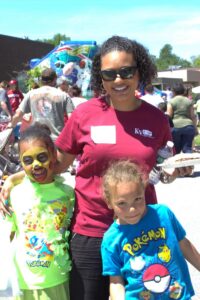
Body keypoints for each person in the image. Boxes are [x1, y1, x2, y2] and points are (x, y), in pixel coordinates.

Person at [0, 35, 193, 300]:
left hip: (140, 229)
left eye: (126, 71)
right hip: (90, 231)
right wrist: (18, 177)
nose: (118, 80)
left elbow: (159, 170)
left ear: (140, 72)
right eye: (109, 74)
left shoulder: (157, 120)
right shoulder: (85, 114)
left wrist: (174, 173)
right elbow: (57, 163)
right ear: (99, 78)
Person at [101, 160, 200, 299]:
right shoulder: (110, 239)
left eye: (138, 199)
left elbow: (184, 244)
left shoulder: (163, 214)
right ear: (109, 202)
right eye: (122, 203)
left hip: (177, 295)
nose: (132, 209)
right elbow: (116, 282)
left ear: (144, 192)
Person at [5, 123, 75, 300]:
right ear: (21, 162)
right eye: (28, 160)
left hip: (58, 278)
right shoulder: (14, 194)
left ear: (53, 156)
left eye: (42, 157)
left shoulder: (68, 194)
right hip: (25, 280)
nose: (36, 165)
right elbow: (12, 234)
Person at [7, 68, 74, 141]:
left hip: (37, 140)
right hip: (57, 140)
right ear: (55, 79)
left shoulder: (31, 94)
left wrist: (11, 125)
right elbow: (72, 119)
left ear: (41, 80)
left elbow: (18, 114)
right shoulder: (64, 96)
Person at [167, 83, 198, 153]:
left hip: (175, 127)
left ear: (173, 91)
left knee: (176, 150)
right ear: (183, 91)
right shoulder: (188, 101)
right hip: (188, 126)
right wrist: (195, 129)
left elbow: (169, 116)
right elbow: (193, 116)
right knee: (187, 149)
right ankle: (189, 163)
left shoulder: (171, 101)